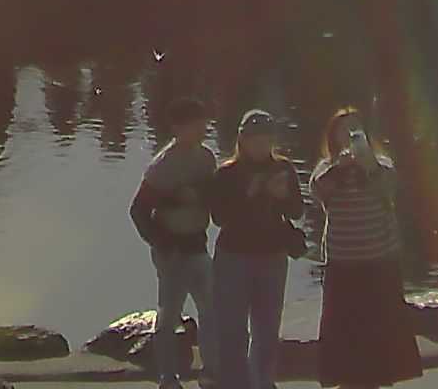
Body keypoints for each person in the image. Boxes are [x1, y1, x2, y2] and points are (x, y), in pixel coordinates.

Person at [311, 109, 419, 389]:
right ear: (333, 136)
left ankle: (380, 378)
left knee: (380, 331)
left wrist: (367, 166)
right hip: (344, 264)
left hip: (380, 262)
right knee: (345, 331)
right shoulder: (326, 168)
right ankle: (347, 381)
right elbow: (318, 191)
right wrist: (340, 167)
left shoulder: (381, 164)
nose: (349, 135)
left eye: (355, 130)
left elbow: (390, 188)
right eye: (343, 130)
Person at [206, 112, 307, 389]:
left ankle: (263, 382)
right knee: (232, 329)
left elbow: (297, 211)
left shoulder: (284, 168)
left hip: (272, 256)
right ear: (242, 140)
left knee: (267, 329)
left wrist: (281, 196)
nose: (261, 144)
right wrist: (249, 194)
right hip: (233, 257)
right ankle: (234, 383)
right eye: (254, 138)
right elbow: (219, 217)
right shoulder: (226, 173)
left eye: (266, 138)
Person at [134, 98, 221, 389]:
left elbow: (212, 196)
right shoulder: (163, 165)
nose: (200, 129)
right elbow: (138, 210)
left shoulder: (207, 157)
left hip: (197, 243)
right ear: (177, 128)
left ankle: (210, 371)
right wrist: (161, 243)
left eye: (202, 123)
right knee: (169, 313)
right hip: (170, 247)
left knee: (210, 309)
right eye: (193, 125)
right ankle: (167, 378)